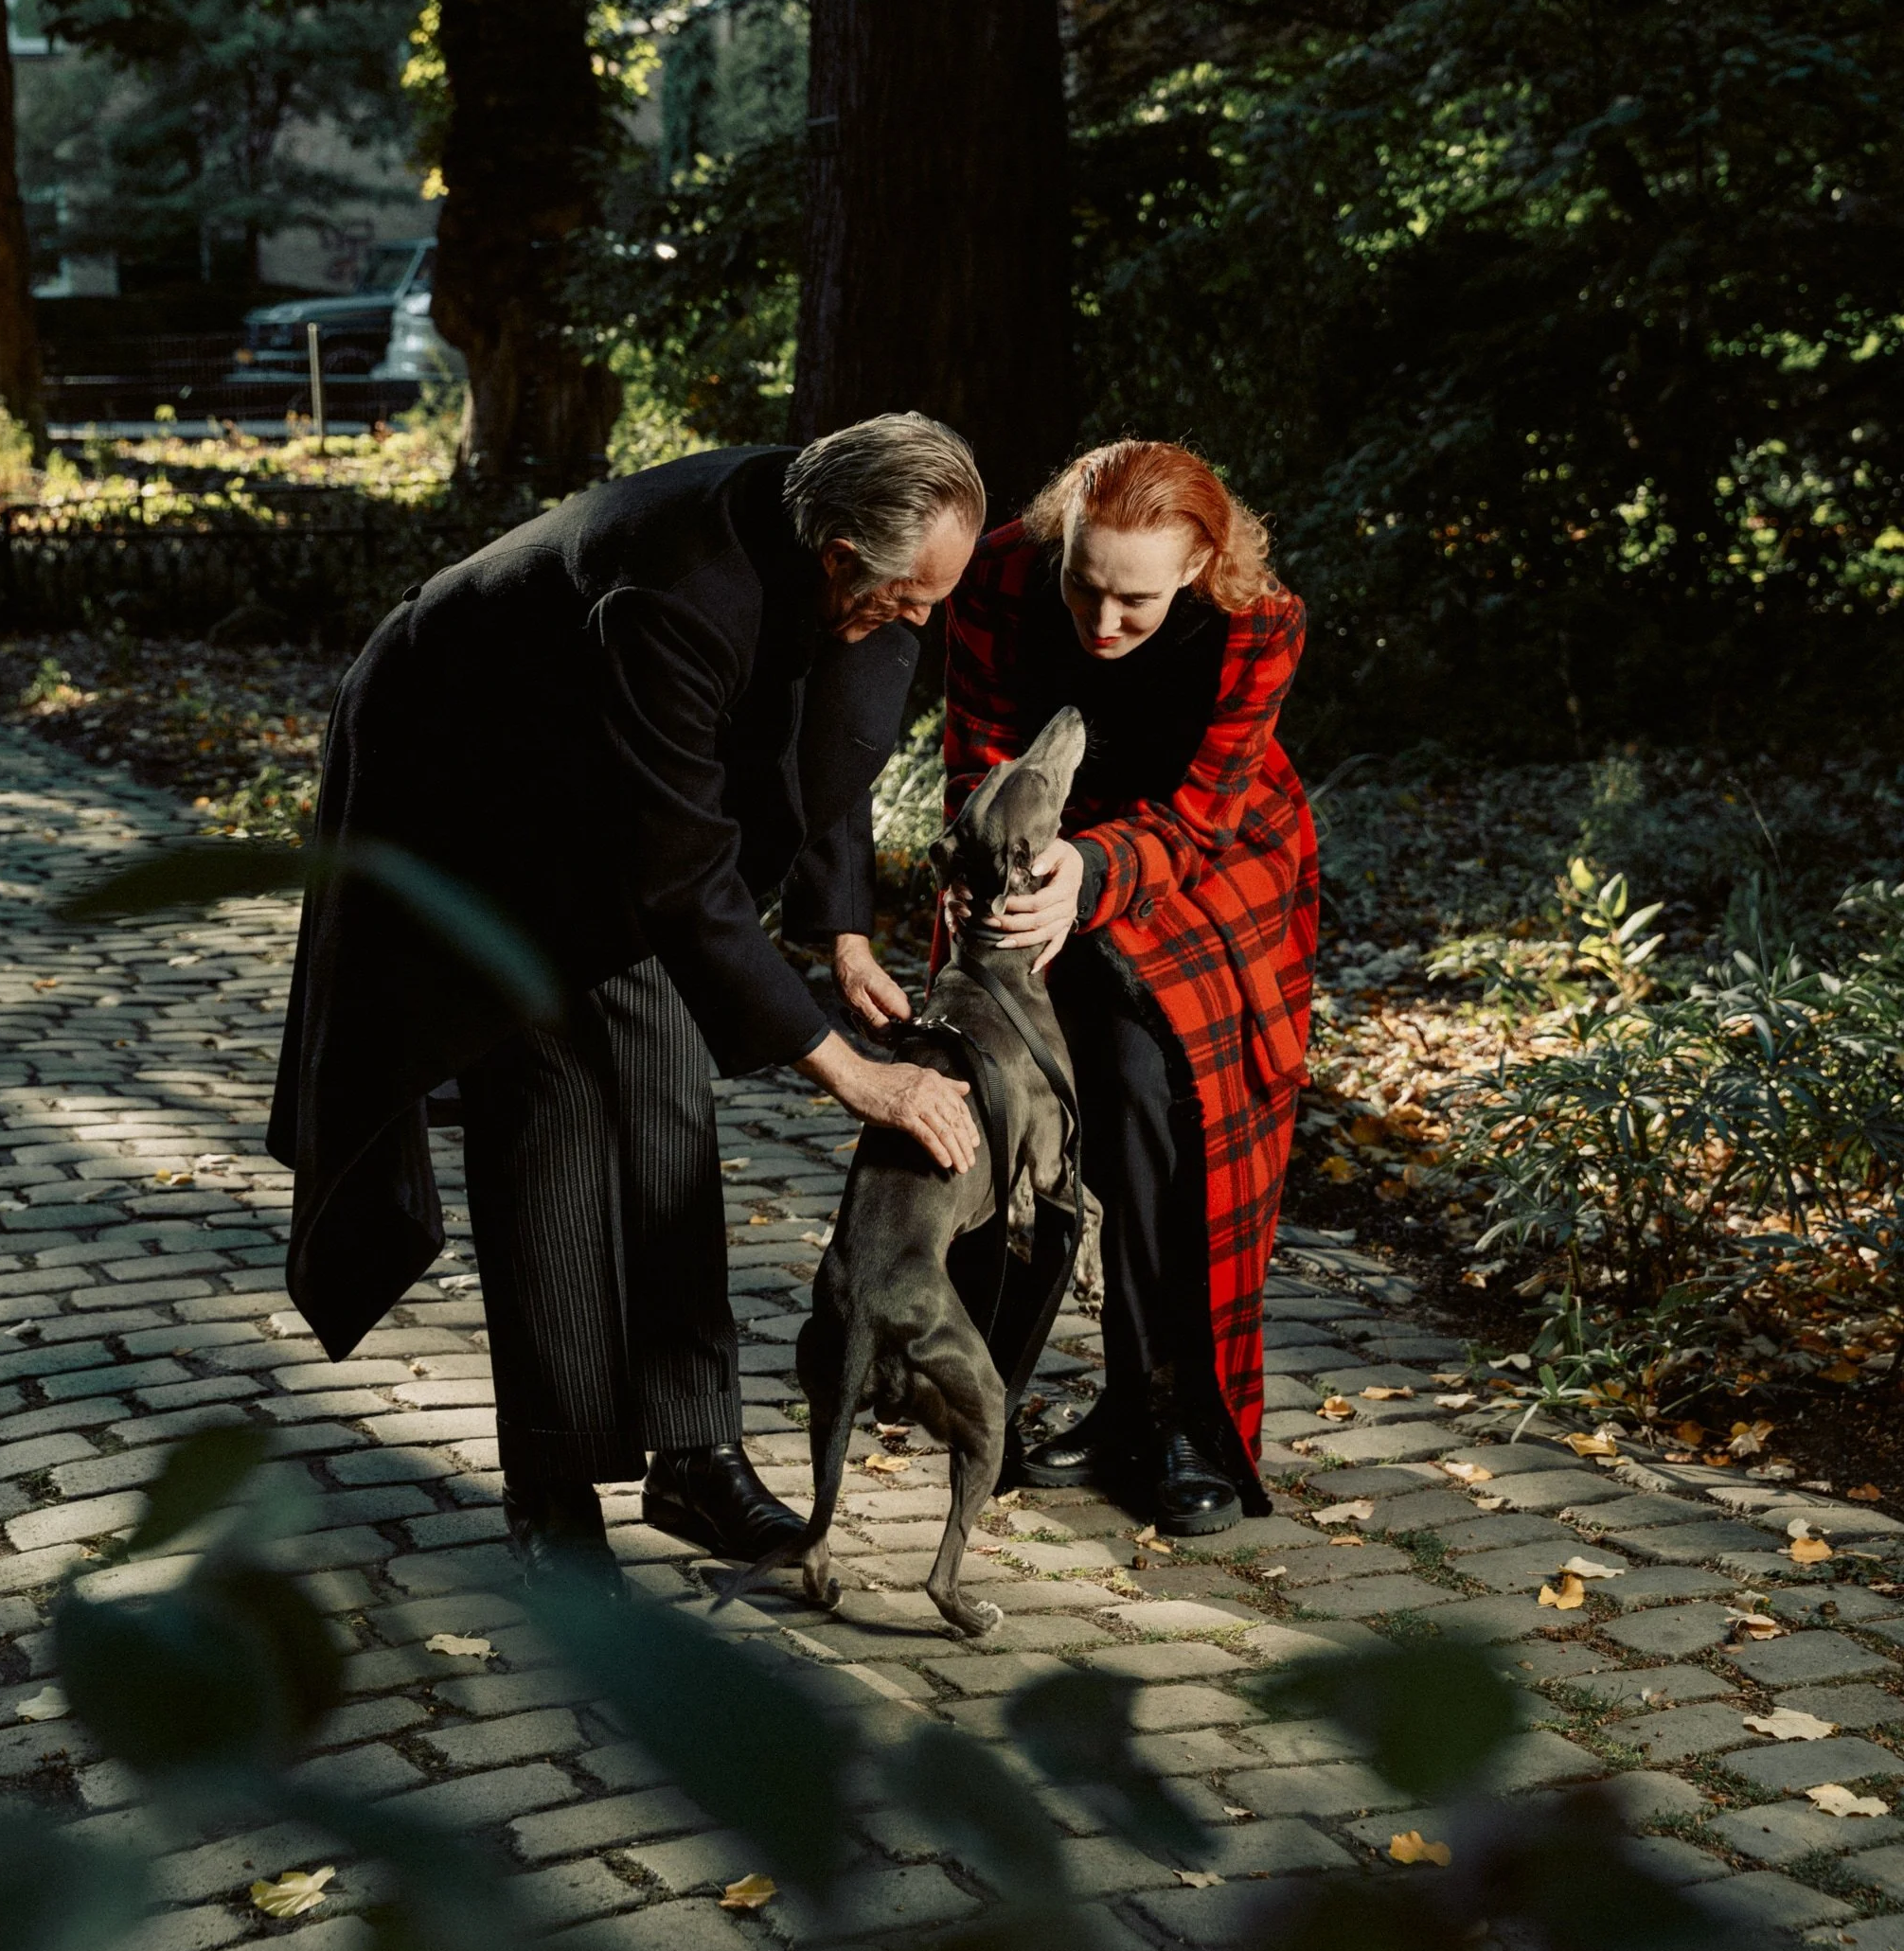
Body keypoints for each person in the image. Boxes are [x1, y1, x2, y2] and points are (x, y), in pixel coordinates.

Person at [269, 415, 984, 1581]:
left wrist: (841, 930)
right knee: (548, 1106)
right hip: (467, 777)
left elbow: (826, 734)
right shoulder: (679, 593)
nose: (919, 620)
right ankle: (551, 1490)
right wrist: (852, 1073)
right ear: (838, 556)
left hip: (606, 775)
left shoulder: (845, 556)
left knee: (664, 1093)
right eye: (907, 598)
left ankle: (693, 1454)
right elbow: (683, 879)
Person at [942, 438, 1318, 1534]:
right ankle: (983, 1393)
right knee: (1013, 1094)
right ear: (1057, 542)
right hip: (1034, 850)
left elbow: (1204, 817)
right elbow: (976, 753)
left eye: (1135, 602)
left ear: (1198, 566)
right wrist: (993, 864)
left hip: (1201, 861)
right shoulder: (995, 574)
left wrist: (1092, 873)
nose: (1100, 624)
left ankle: (1167, 1414)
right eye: (1082, 587)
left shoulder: (1258, 622)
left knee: (1160, 1096)